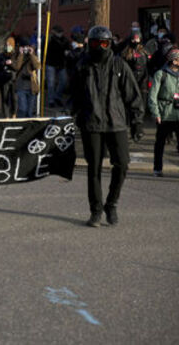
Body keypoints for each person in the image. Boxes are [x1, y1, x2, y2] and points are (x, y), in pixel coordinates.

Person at [71, 26, 144, 227]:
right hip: (91, 124)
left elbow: (133, 96)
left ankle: (111, 204)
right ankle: (95, 211)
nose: (100, 47)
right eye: (96, 43)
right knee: (93, 169)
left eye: (104, 43)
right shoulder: (82, 66)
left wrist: (137, 122)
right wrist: (72, 116)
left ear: (109, 44)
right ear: (89, 44)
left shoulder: (119, 65)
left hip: (116, 123)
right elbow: (74, 95)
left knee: (122, 165)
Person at [147, 48, 179, 178]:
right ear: (174, 61)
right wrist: (156, 113)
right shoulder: (160, 74)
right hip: (164, 114)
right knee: (160, 142)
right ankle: (157, 168)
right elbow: (152, 96)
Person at [13, 39, 41, 118]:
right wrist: (21, 54)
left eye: (27, 47)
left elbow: (37, 66)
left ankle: (28, 128)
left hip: (32, 87)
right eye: (23, 47)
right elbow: (17, 67)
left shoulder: (33, 56)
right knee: (23, 109)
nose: (25, 49)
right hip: (21, 86)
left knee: (29, 112)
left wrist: (32, 54)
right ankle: (20, 125)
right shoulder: (16, 56)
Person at [0, 37, 19, 119]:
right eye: (7, 45)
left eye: (10, 45)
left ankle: (14, 114)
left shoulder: (15, 55)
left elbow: (17, 67)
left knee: (14, 98)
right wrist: (4, 63)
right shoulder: (1, 55)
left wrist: (11, 63)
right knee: (5, 98)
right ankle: (6, 116)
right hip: (4, 79)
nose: (8, 47)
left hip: (13, 79)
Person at [45, 26, 70, 108]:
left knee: (64, 81)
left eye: (61, 32)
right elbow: (43, 49)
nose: (60, 33)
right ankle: (51, 100)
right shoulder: (49, 39)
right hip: (50, 63)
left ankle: (57, 97)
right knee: (51, 83)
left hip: (61, 64)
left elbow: (67, 48)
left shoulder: (65, 40)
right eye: (58, 32)